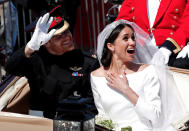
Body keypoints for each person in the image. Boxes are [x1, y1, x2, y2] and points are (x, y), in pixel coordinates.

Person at [5, 7, 99, 120]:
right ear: (46, 42)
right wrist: (30, 47)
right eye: (59, 36)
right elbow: (10, 68)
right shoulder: (35, 60)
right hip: (40, 120)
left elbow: (93, 101)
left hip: (72, 120)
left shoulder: (87, 62)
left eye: (67, 31)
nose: (67, 37)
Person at [91, 20, 186, 131]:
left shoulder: (147, 71)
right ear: (111, 46)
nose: (132, 42)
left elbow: (155, 117)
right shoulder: (96, 76)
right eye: (125, 38)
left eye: (133, 38)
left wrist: (126, 89)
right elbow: (102, 117)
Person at [115, 0, 189, 68]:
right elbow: (122, 22)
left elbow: (187, 23)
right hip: (138, 50)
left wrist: (168, 48)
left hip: (170, 51)